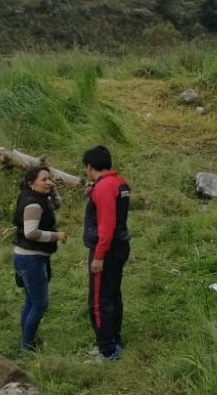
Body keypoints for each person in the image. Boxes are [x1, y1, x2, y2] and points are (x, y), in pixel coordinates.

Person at [83, 145, 131, 361]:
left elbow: (107, 224)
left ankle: (106, 351)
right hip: (120, 246)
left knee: (99, 300)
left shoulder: (103, 188)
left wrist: (99, 256)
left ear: (89, 166)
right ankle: (114, 339)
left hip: (107, 249)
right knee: (113, 295)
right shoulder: (120, 182)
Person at [13, 167, 68, 353]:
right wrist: (56, 236)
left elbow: (56, 205)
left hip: (28, 257)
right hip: (31, 259)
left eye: (50, 178)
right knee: (39, 304)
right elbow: (31, 233)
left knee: (31, 302)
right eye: (44, 179)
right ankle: (27, 347)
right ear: (31, 183)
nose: (49, 182)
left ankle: (28, 340)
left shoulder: (36, 198)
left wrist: (53, 189)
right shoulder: (33, 205)